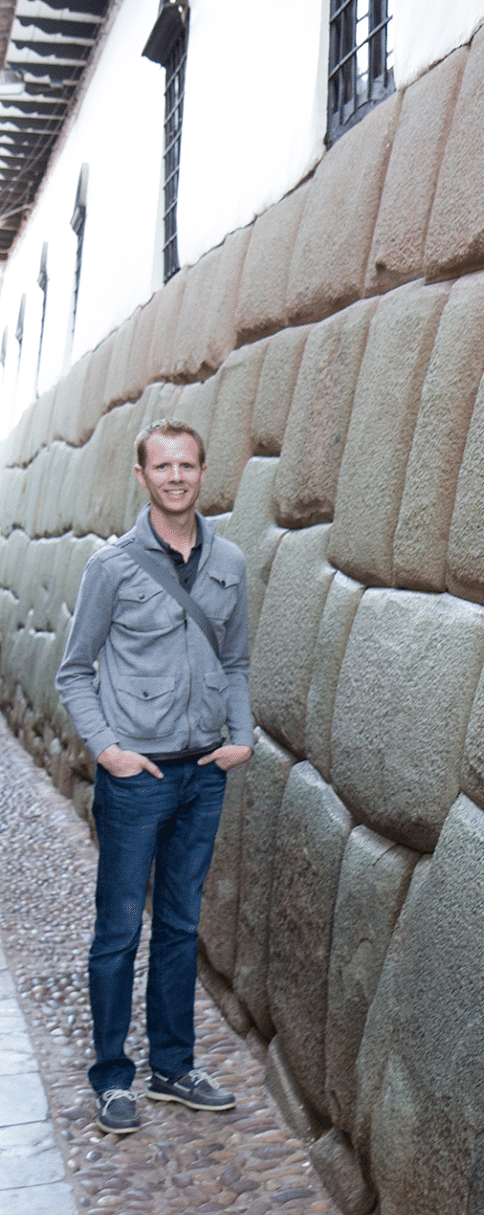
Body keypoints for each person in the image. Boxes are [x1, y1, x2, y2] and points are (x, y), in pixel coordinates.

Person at [56, 419, 254, 1134]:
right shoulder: (112, 567)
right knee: (117, 932)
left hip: (205, 774)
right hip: (135, 777)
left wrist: (243, 737)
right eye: (162, 466)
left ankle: (172, 1068)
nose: (176, 477)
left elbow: (235, 663)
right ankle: (112, 1076)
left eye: (188, 465)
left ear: (204, 473)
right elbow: (75, 670)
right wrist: (108, 750)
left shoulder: (228, 559)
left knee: (179, 927)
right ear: (141, 477)